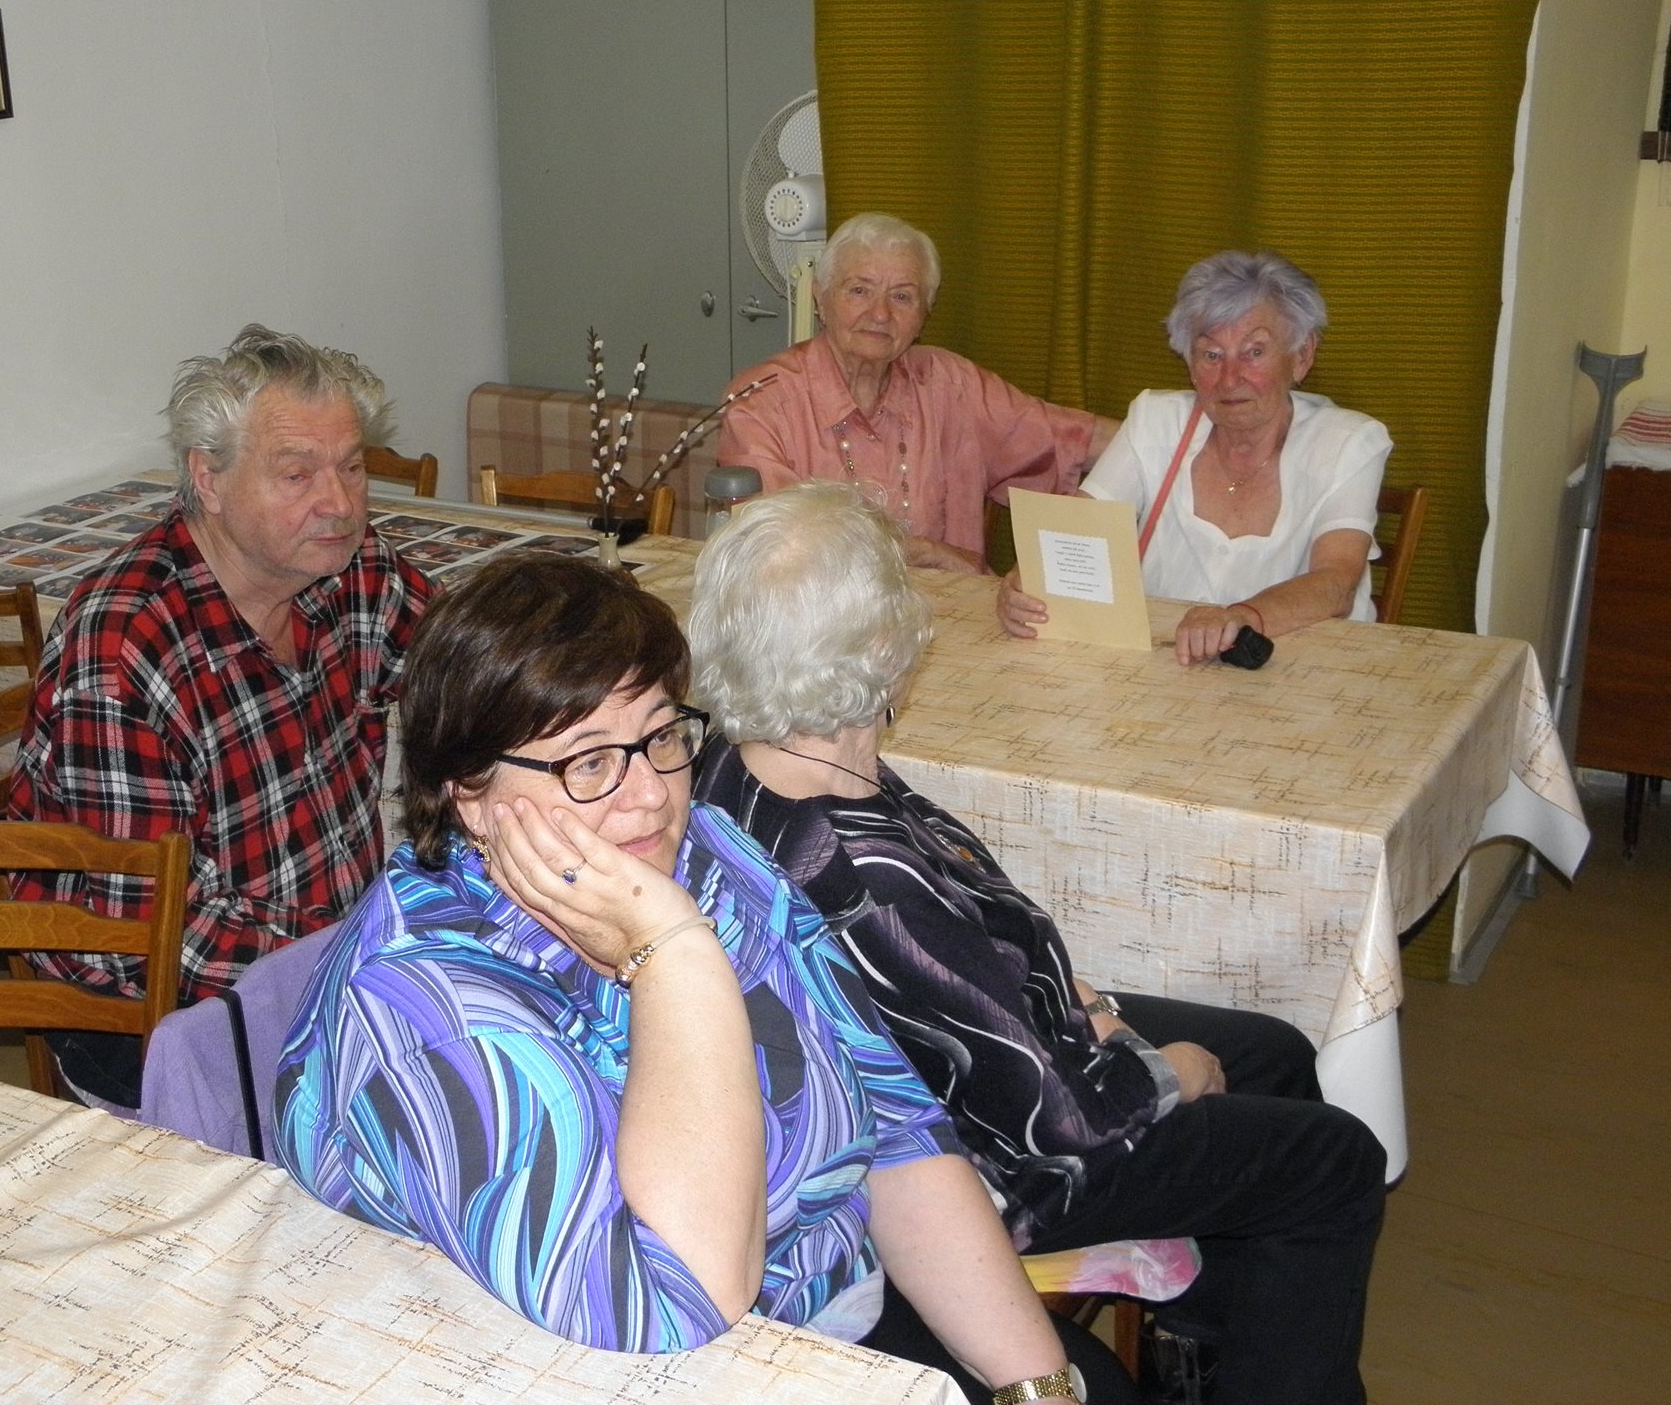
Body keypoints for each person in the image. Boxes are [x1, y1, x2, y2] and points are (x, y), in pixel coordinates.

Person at [275, 553, 1130, 1405]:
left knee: (1097, 1387)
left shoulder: (712, 856)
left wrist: (1036, 1390)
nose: (650, 795)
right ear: (469, 794)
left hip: (822, 1319)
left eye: (661, 738)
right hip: (631, 1373)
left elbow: (897, 1127)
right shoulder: (428, 1004)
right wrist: (675, 954)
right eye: (589, 763)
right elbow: (677, 1302)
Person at [691, 484, 1388, 1405]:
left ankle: (1203, 1345)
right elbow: (1053, 1125)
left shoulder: (748, 763)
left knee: (1278, 1051)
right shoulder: (865, 877)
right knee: (1336, 1159)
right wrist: (1166, 1071)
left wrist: (1087, 1001)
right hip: (994, 1160)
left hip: (999, 1046)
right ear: (883, 648)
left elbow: (980, 932)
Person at [7, 324, 432, 1109]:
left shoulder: (350, 567)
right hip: (151, 1015)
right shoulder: (126, 648)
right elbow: (155, 933)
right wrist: (373, 962)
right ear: (208, 478)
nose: (339, 504)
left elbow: (466, 673)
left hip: (323, 955)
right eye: (296, 474)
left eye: (352, 466)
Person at [997, 250, 1394, 664]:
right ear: (1189, 364)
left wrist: (1241, 617)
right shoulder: (1155, 420)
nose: (1230, 378)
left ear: (1301, 356)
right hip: (1166, 670)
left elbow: (1336, 581)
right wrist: (1028, 583)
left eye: (1254, 352)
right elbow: (1075, 532)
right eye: (1211, 355)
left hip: (1306, 675)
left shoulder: (1349, 443)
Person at [718, 212, 1119, 576]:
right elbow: (779, 543)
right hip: (815, 618)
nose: (880, 314)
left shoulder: (951, 385)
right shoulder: (762, 402)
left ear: (925, 314)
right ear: (820, 297)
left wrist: (1159, 429)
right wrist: (928, 553)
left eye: (902, 296)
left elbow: (1071, 438)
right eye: (859, 290)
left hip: (948, 619)